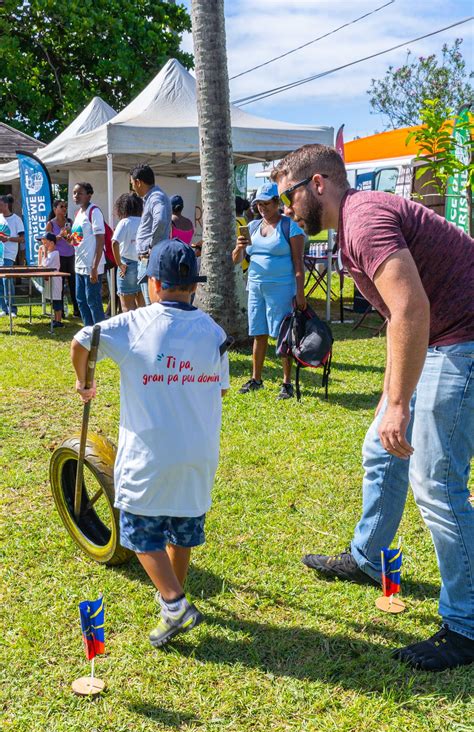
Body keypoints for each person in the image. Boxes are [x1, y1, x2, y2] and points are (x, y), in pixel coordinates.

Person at [273, 143, 474, 671]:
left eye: (289, 196)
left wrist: (400, 403)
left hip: (463, 339)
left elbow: (411, 308)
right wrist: (391, 398)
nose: (287, 209)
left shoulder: (363, 219)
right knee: (381, 448)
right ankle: (368, 558)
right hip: (440, 337)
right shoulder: (355, 223)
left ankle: (467, 624)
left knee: (437, 483)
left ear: (318, 184)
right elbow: (396, 320)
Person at [71, 239, 230, 648]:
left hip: (150, 455)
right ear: (193, 286)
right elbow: (222, 391)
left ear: (154, 283)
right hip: (199, 453)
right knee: (182, 527)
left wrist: (84, 382)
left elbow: (81, 341)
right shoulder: (215, 333)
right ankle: (172, 610)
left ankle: (175, 603)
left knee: (139, 533)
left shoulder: (134, 323)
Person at [232, 182, 306, 399]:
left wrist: (300, 293)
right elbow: (236, 260)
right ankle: (256, 379)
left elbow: (298, 263)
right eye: (259, 204)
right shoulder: (253, 226)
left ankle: (286, 383)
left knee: (284, 335)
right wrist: (239, 247)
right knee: (258, 332)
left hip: (282, 288)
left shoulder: (290, 227)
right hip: (255, 287)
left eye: (266, 203)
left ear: (276, 203)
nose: (262, 208)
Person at [130, 164, 171, 306]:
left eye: (132, 184)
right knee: (152, 305)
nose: (133, 188)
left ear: (138, 182)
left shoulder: (155, 197)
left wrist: (152, 247)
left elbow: (161, 220)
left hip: (150, 259)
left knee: (152, 305)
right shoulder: (154, 196)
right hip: (150, 258)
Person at [70, 182, 106, 326]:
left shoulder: (94, 211)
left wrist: (94, 267)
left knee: (93, 301)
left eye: (79, 193)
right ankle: (89, 332)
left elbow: (100, 239)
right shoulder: (78, 213)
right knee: (81, 300)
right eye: (74, 193)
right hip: (79, 264)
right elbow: (79, 240)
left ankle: (101, 334)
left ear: (89, 195)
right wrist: (69, 239)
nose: (76, 196)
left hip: (92, 265)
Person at [111, 192, 144, 312]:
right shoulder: (144, 221)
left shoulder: (124, 222)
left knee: (128, 310)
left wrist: (119, 263)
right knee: (142, 310)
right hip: (143, 264)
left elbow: (114, 242)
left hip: (127, 265)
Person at [46, 199, 79, 318]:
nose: (64, 209)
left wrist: (70, 235)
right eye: (61, 206)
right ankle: (60, 312)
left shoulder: (69, 221)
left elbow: (74, 238)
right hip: (58, 257)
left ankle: (77, 310)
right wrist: (60, 235)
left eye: (65, 206)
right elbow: (48, 241)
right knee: (59, 285)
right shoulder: (50, 223)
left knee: (73, 283)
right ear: (55, 209)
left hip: (71, 255)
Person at [0, 194, 24, 317]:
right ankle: (3, 308)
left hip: (9, 254)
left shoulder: (16, 219)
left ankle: (12, 309)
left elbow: (22, 239)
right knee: (0, 281)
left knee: (7, 280)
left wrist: (7, 238)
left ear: (5, 205)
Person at [37, 232, 63, 327]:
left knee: (57, 301)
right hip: (50, 281)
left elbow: (46, 265)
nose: (44, 245)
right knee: (53, 300)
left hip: (55, 281)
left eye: (45, 243)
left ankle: (59, 320)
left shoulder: (55, 253)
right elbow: (40, 265)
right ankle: (55, 320)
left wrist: (44, 254)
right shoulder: (49, 254)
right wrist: (41, 253)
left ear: (52, 243)